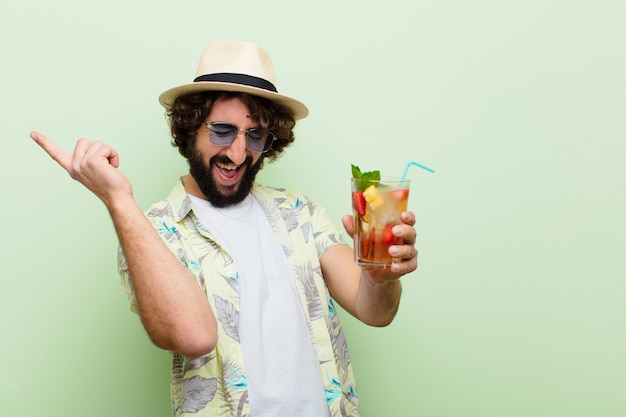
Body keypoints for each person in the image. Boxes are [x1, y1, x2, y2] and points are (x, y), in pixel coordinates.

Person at [30, 40, 418, 417]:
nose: (236, 152)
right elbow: (194, 338)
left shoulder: (300, 211)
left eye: (254, 135)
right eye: (222, 131)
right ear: (189, 128)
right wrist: (119, 200)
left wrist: (383, 277)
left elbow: (374, 310)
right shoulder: (154, 233)